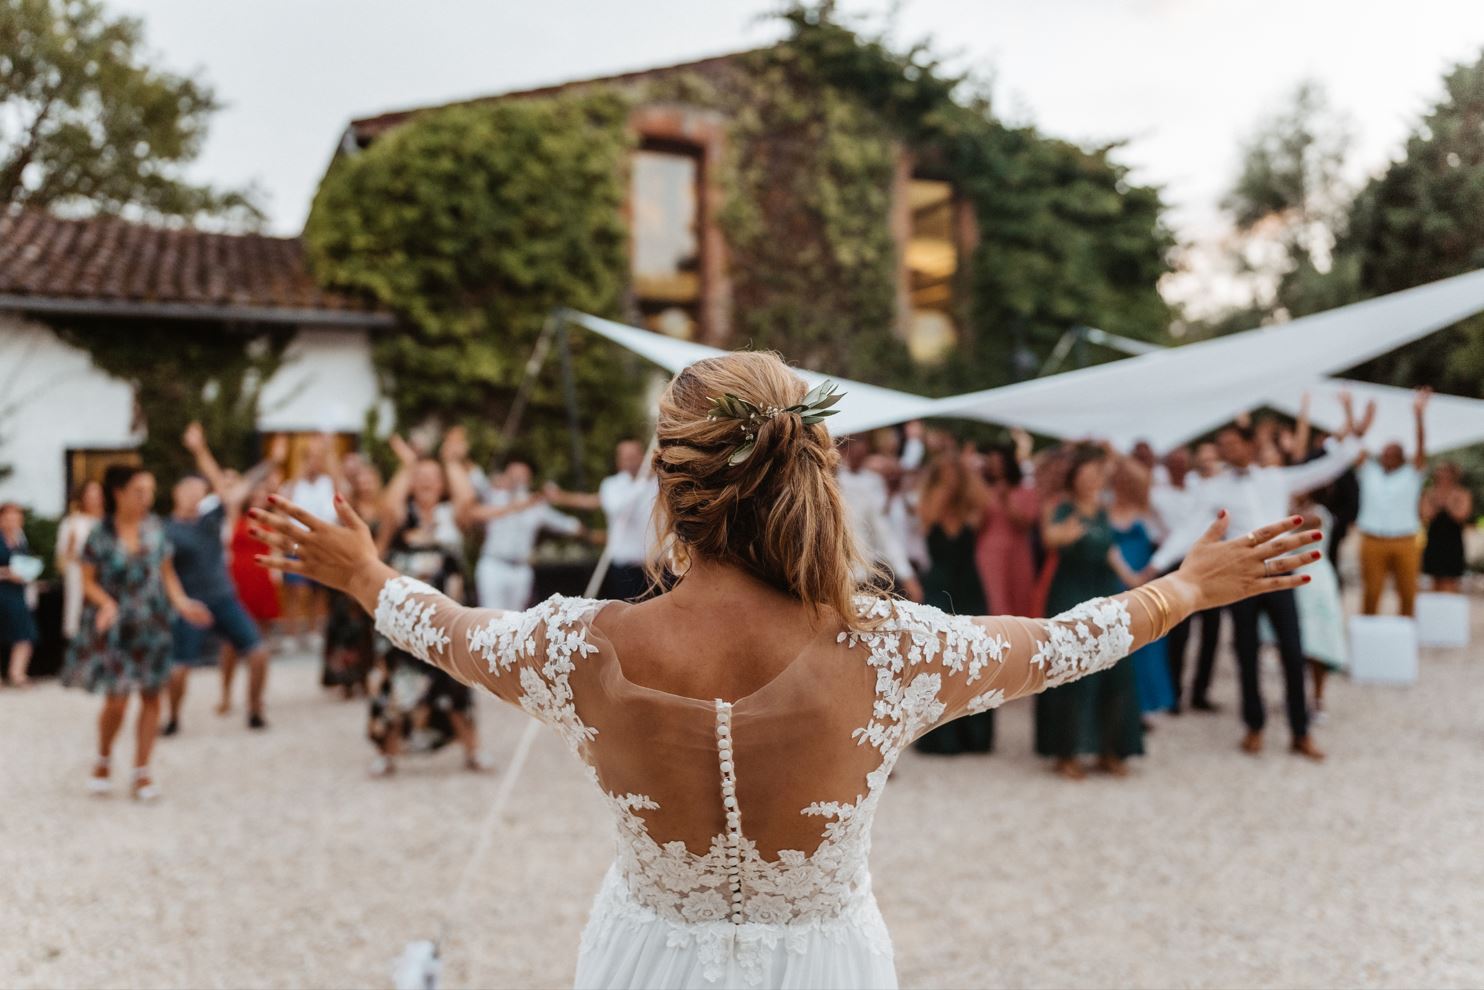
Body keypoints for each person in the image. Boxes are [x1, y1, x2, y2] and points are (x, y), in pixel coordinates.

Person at [251, 350, 1317, 990]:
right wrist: (1187, 586)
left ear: (670, 487)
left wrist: (360, 571)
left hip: (644, 963)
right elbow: (1063, 642)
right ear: (810, 472)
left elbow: (445, 630)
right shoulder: (892, 647)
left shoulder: (579, 647)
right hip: (821, 969)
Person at [1148, 401, 1366, 760]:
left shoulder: (1276, 479)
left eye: (1234, 443)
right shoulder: (1214, 487)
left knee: (1293, 652)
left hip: (1281, 575)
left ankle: (1300, 731)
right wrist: (1159, 563)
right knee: (1246, 652)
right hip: (1241, 579)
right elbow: (1190, 529)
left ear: (1250, 445)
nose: (1227, 451)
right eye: (1223, 446)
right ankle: (1254, 725)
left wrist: (1355, 438)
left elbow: (1327, 467)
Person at [63, 465, 211, 800]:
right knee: (116, 701)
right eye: (139, 491)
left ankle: (142, 772)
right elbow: (87, 581)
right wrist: (106, 603)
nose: (146, 498)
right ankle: (103, 758)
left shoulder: (156, 528)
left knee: (151, 696)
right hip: (116, 627)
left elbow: (167, 574)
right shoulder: (100, 534)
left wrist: (184, 603)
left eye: (149, 491)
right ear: (119, 492)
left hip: (153, 623)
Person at [368, 433, 487, 776]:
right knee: (395, 678)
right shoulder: (401, 516)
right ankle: (387, 753)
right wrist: (408, 465)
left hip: (448, 613)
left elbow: (466, 498)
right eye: (420, 478)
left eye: (433, 479)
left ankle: (472, 749)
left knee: (455, 680)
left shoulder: (453, 515)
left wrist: (451, 461)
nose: (426, 483)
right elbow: (388, 505)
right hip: (403, 612)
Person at [1034, 446, 1145, 780]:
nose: (1094, 479)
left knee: (1116, 670)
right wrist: (1063, 534)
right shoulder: (1059, 507)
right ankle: (1066, 751)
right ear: (1075, 476)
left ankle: (1112, 749)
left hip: (1106, 593)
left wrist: (1131, 578)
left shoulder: (1102, 508)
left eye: (1098, 473)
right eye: (1088, 473)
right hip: (1070, 593)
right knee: (1073, 671)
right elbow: (1049, 537)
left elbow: (1109, 548)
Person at [163, 424, 277, 734]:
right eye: (187, 491)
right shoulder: (167, 530)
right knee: (179, 668)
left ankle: (254, 710)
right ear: (176, 493)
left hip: (224, 597)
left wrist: (200, 450)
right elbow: (164, 572)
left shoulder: (210, 519)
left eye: (198, 493)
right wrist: (178, 603)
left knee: (258, 653)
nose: (192, 497)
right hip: (191, 605)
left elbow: (230, 492)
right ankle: (172, 718)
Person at [912, 454, 994, 755]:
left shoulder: (970, 511)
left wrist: (967, 473)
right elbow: (929, 514)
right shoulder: (927, 508)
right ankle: (941, 738)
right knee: (939, 658)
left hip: (969, 586)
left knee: (976, 654)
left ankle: (976, 736)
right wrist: (943, 486)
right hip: (939, 585)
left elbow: (986, 502)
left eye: (954, 477)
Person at [458, 457, 585, 610]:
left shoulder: (536, 505)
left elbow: (565, 523)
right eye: (512, 474)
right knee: (490, 614)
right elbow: (476, 477)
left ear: (529, 479)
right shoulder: (493, 495)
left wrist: (592, 534)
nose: (516, 479)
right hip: (493, 564)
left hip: (521, 569)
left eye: (521, 475)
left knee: (517, 619)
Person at [1152, 447, 1222, 713]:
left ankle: (1201, 691)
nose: (1180, 467)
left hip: (1207, 564)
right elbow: (1180, 532)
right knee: (1179, 633)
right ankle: (1175, 692)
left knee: (1211, 632)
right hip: (1176, 564)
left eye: (1184, 462)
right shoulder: (1158, 495)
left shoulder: (1200, 489)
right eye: (1174, 463)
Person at [1354, 389, 1431, 616]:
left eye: (1391, 453)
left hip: (1405, 539)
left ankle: (1406, 631)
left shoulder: (1412, 473)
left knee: (1408, 591)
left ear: (1400, 457)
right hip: (1372, 538)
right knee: (1371, 591)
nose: (1385, 456)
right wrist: (1364, 420)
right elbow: (1356, 446)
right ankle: (1368, 631)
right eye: (1384, 452)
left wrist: (1418, 415)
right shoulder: (1370, 472)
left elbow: (1421, 446)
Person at [1108, 458, 1174, 718]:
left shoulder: (1148, 512)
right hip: (1114, 580)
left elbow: (1168, 538)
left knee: (1146, 642)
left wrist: (1148, 572)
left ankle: (1143, 704)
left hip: (1143, 578)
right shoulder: (1105, 508)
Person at [557, 439, 660, 601]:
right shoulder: (611, 485)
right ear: (618, 461)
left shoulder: (657, 482)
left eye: (635, 456)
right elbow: (617, 508)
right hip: (625, 566)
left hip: (655, 564)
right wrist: (640, 484)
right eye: (627, 457)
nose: (632, 462)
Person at [223, 467, 284, 712]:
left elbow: (278, 547)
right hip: (237, 580)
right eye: (254, 492)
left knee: (260, 642)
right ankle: (226, 693)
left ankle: (256, 698)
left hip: (263, 580)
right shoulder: (234, 516)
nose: (258, 496)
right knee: (229, 642)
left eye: (262, 493)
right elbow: (234, 496)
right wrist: (269, 464)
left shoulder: (273, 519)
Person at [320, 459, 382, 697]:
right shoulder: (349, 509)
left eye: (369, 480)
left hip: (375, 571)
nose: (365, 485)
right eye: (361, 480)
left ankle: (365, 675)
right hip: (350, 572)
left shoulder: (383, 508)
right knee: (346, 628)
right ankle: (345, 678)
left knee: (368, 629)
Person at [838, 435, 924, 601]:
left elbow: (883, 532)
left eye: (863, 442)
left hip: (862, 578)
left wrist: (906, 576)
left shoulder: (869, 482)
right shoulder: (830, 480)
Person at [281, 433, 341, 647]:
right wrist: (302, 466)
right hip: (297, 541)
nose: (314, 462)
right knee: (294, 590)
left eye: (318, 458)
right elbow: (284, 501)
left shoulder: (327, 483)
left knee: (319, 590)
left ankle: (315, 631)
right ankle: (290, 633)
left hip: (323, 542)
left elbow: (340, 491)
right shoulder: (293, 483)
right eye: (310, 457)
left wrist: (329, 451)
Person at [56, 480, 104, 641]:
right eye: (90, 495)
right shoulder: (72, 522)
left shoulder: (109, 521)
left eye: (97, 495)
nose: (94, 499)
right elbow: (63, 555)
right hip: (80, 576)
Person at [1, 502, 39, 686]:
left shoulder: (21, 539)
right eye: (8, 517)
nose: (12, 521)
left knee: (24, 632)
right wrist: (8, 573)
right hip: (2, 590)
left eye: (16, 517)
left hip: (17, 592)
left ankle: (17, 673)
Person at [1421, 461, 1472, 593]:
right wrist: (1438, 501)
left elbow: (1462, 515)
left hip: (1453, 542)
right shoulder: (1429, 493)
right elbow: (1425, 515)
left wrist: (1447, 501)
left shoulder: (1462, 494)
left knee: (1451, 581)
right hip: (1434, 541)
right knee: (1434, 581)